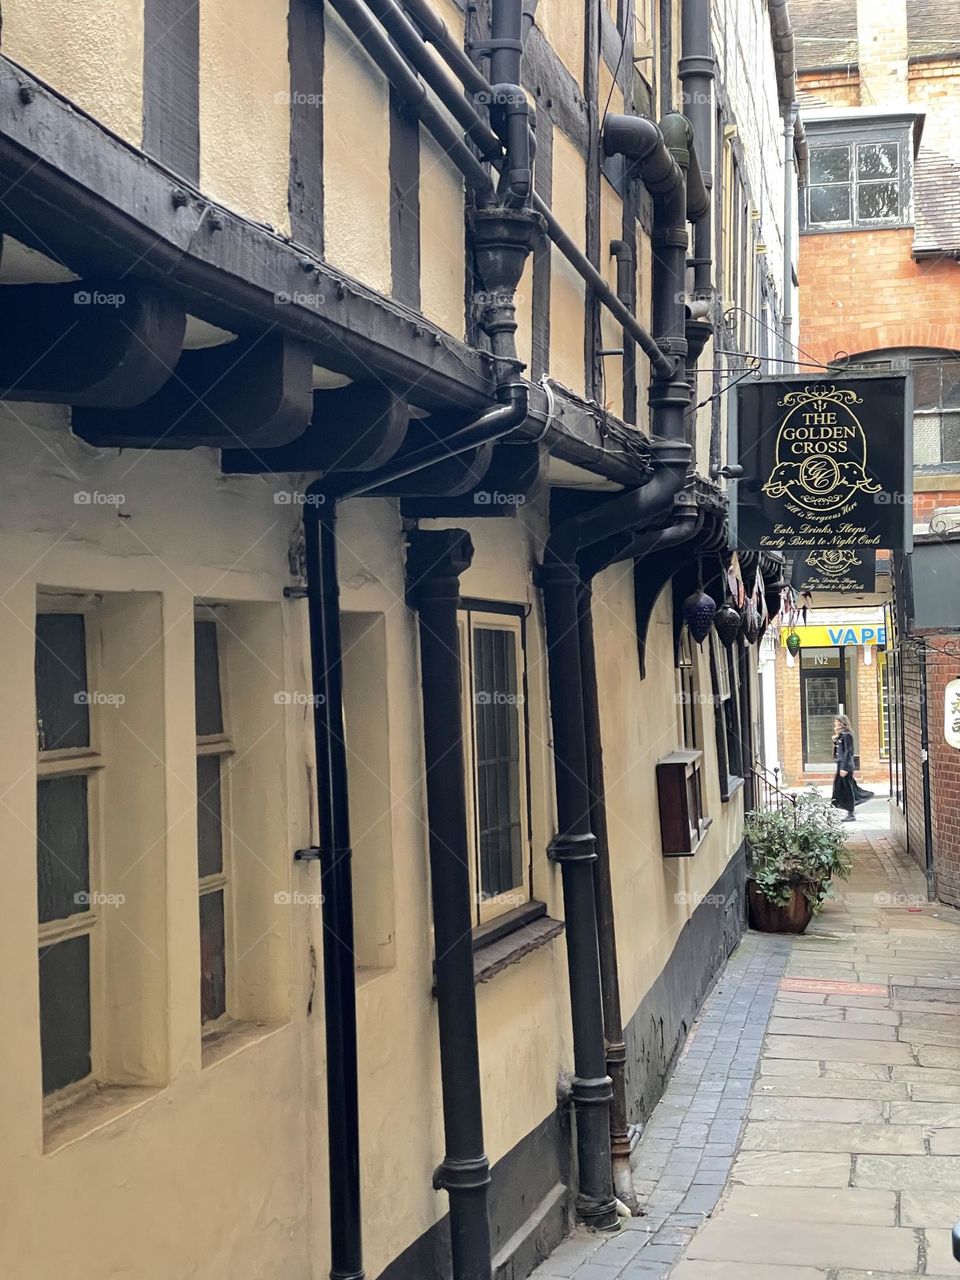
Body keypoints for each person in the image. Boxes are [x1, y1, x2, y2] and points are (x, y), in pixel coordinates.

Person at [831, 715, 873, 821]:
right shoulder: (841, 735)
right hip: (840, 764)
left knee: (847, 789)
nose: (835, 723)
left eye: (837, 722)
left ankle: (851, 812)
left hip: (846, 766)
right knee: (842, 787)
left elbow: (848, 753)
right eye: (835, 722)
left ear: (842, 723)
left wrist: (844, 768)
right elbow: (838, 751)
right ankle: (851, 804)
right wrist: (836, 737)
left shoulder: (847, 735)